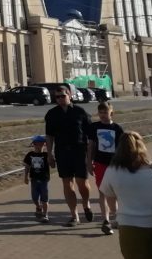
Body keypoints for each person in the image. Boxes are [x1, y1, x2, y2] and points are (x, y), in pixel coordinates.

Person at [44, 84, 93, 226]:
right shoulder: (52, 114)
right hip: (62, 152)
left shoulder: (80, 112)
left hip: (79, 151)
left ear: (70, 95)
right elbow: (49, 136)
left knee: (82, 183)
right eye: (57, 97)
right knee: (67, 183)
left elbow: (90, 135)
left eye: (62, 96)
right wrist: (49, 154)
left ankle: (86, 203)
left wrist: (90, 156)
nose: (59, 99)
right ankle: (74, 216)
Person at [88, 101, 124, 234]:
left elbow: (122, 148)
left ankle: (118, 217)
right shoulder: (94, 127)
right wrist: (89, 162)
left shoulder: (117, 129)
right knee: (102, 191)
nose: (103, 115)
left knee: (115, 192)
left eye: (106, 112)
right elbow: (90, 146)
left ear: (111, 113)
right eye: (101, 113)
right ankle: (106, 220)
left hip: (115, 164)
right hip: (100, 163)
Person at [23, 135, 51, 223]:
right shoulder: (30, 154)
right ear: (33, 144)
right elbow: (27, 166)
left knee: (44, 198)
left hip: (44, 179)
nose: (38, 146)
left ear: (44, 145)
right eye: (36, 144)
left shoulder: (46, 155)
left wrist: (51, 157)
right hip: (34, 179)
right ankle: (38, 206)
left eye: (41, 144)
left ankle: (45, 214)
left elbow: (53, 165)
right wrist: (25, 176)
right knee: (34, 197)